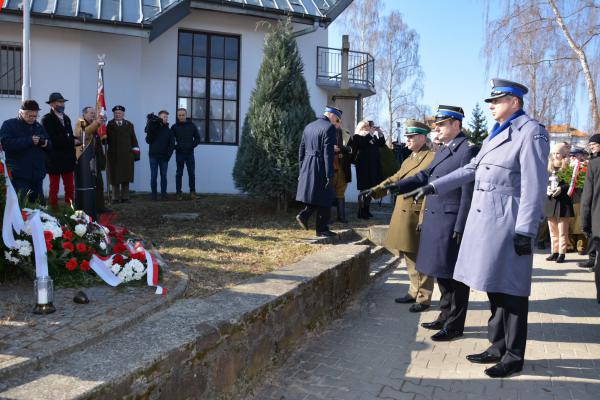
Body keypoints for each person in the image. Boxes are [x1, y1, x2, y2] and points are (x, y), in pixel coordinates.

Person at [406, 79, 550, 378]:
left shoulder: (530, 132)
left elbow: (535, 186)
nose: (491, 106)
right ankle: (497, 346)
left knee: (510, 291)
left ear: (514, 102)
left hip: (509, 223)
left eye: (496, 101)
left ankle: (513, 355)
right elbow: (470, 170)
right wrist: (433, 186)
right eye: (491, 102)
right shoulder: (496, 134)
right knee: (494, 287)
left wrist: (526, 229)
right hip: (487, 223)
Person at [379, 106, 479, 337]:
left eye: (442, 124)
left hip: (452, 220)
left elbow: (468, 190)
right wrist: (399, 185)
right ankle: (444, 316)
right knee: (441, 273)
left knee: (455, 278)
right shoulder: (444, 150)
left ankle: (454, 325)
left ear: (456, 124)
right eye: (437, 124)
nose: (437, 128)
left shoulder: (467, 150)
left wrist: (461, 225)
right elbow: (425, 176)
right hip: (435, 218)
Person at [362, 120, 435, 311]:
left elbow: (430, 190)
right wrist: (375, 191)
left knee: (420, 256)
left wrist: (424, 218)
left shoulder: (432, 157)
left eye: (411, 137)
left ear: (422, 137)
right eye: (407, 137)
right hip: (404, 212)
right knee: (409, 255)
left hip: (416, 213)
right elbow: (395, 178)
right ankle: (414, 291)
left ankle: (424, 298)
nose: (408, 140)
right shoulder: (410, 158)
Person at [295, 106, 341, 237]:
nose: (336, 122)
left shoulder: (309, 126)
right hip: (320, 165)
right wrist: (329, 174)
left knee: (316, 195)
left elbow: (301, 149)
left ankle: (304, 215)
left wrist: (301, 169)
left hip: (307, 165)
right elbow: (328, 153)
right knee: (327, 196)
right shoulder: (329, 127)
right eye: (337, 119)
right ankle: (322, 229)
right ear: (331, 115)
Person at [0, 100, 51, 204]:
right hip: (19, 176)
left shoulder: (38, 126)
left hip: (37, 176)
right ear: (21, 112)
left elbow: (50, 143)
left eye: (35, 116)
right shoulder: (9, 125)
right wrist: (29, 140)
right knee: (21, 207)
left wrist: (45, 143)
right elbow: (6, 144)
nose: (33, 118)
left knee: (38, 209)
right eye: (29, 115)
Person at [41, 92, 79, 208]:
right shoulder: (46, 119)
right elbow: (53, 139)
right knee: (54, 188)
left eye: (63, 102)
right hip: (54, 159)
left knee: (70, 187)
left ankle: (70, 210)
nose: (62, 105)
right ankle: (53, 211)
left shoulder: (66, 118)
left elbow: (69, 135)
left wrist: (78, 139)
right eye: (59, 102)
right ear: (52, 104)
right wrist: (71, 141)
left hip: (68, 158)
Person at [544, 143, 574, 263]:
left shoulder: (567, 167)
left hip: (563, 203)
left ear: (563, 155)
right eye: (554, 153)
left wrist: (561, 189)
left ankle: (562, 253)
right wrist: (547, 189)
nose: (556, 155)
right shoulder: (549, 167)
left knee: (562, 231)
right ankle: (554, 252)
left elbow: (570, 183)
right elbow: (544, 182)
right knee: (552, 230)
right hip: (551, 201)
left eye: (559, 153)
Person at [75, 106, 109, 213]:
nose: (93, 115)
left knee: (99, 183)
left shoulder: (95, 123)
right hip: (85, 160)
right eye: (91, 113)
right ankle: (87, 206)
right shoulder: (80, 123)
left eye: (94, 113)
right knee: (88, 184)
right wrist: (97, 123)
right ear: (84, 114)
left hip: (96, 158)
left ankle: (99, 206)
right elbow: (83, 133)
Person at [353, 120, 386, 218]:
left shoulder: (372, 137)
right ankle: (361, 211)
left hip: (373, 166)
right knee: (364, 189)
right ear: (362, 127)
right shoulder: (357, 136)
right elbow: (361, 144)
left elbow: (382, 144)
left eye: (369, 126)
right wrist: (369, 134)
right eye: (367, 126)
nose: (369, 128)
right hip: (363, 167)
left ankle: (367, 210)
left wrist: (380, 133)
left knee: (371, 188)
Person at [581, 136, 600, 302]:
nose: (591, 147)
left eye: (594, 144)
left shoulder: (594, 164)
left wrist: (585, 223)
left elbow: (587, 196)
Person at [106, 105, 138, 203]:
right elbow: (104, 140)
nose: (117, 115)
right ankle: (115, 198)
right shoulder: (109, 125)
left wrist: (136, 155)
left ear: (123, 114)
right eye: (116, 113)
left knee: (126, 177)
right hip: (113, 156)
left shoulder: (129, 125)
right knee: (114, 178)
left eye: (119, 113)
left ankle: (125, 197)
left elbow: (134, 140)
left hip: (127, 156)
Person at [145, 110, 175, 201]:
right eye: (163, 116)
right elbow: (148, 140)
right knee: (153, 176)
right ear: (159, 117)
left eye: (166, 117)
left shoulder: (169, 131)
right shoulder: (153, 127)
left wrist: (168, 156)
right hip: (153, 156)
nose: (165, 118)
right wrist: (151, 126)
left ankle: (163, 195)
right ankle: (153, 196)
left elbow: (172, 145)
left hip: (164, 157)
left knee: (163, 176)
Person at [171, 108, 201, 200]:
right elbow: (170, 141)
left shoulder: (192, 126)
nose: (181, 117)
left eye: (183, 115)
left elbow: (197, 138)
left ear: (186, 115)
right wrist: (176, 147)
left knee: (191, 173)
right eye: (179, 115)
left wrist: (191, 146)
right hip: (179, 154)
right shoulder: (174, 127)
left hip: (189, 154)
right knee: (179, 173)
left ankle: (192, 192)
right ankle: (178, 193)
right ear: (177, 116)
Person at [332, 126, 353, 223]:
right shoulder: (327, 132)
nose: (338, 122)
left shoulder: (346, 133)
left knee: (341, 192)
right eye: (336, 120)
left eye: (339, 120)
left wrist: (343, 148)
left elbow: (352, 149)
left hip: (343, 167)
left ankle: (341, 217)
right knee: (328, 193)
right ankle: (326, 218)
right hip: (331, 167)